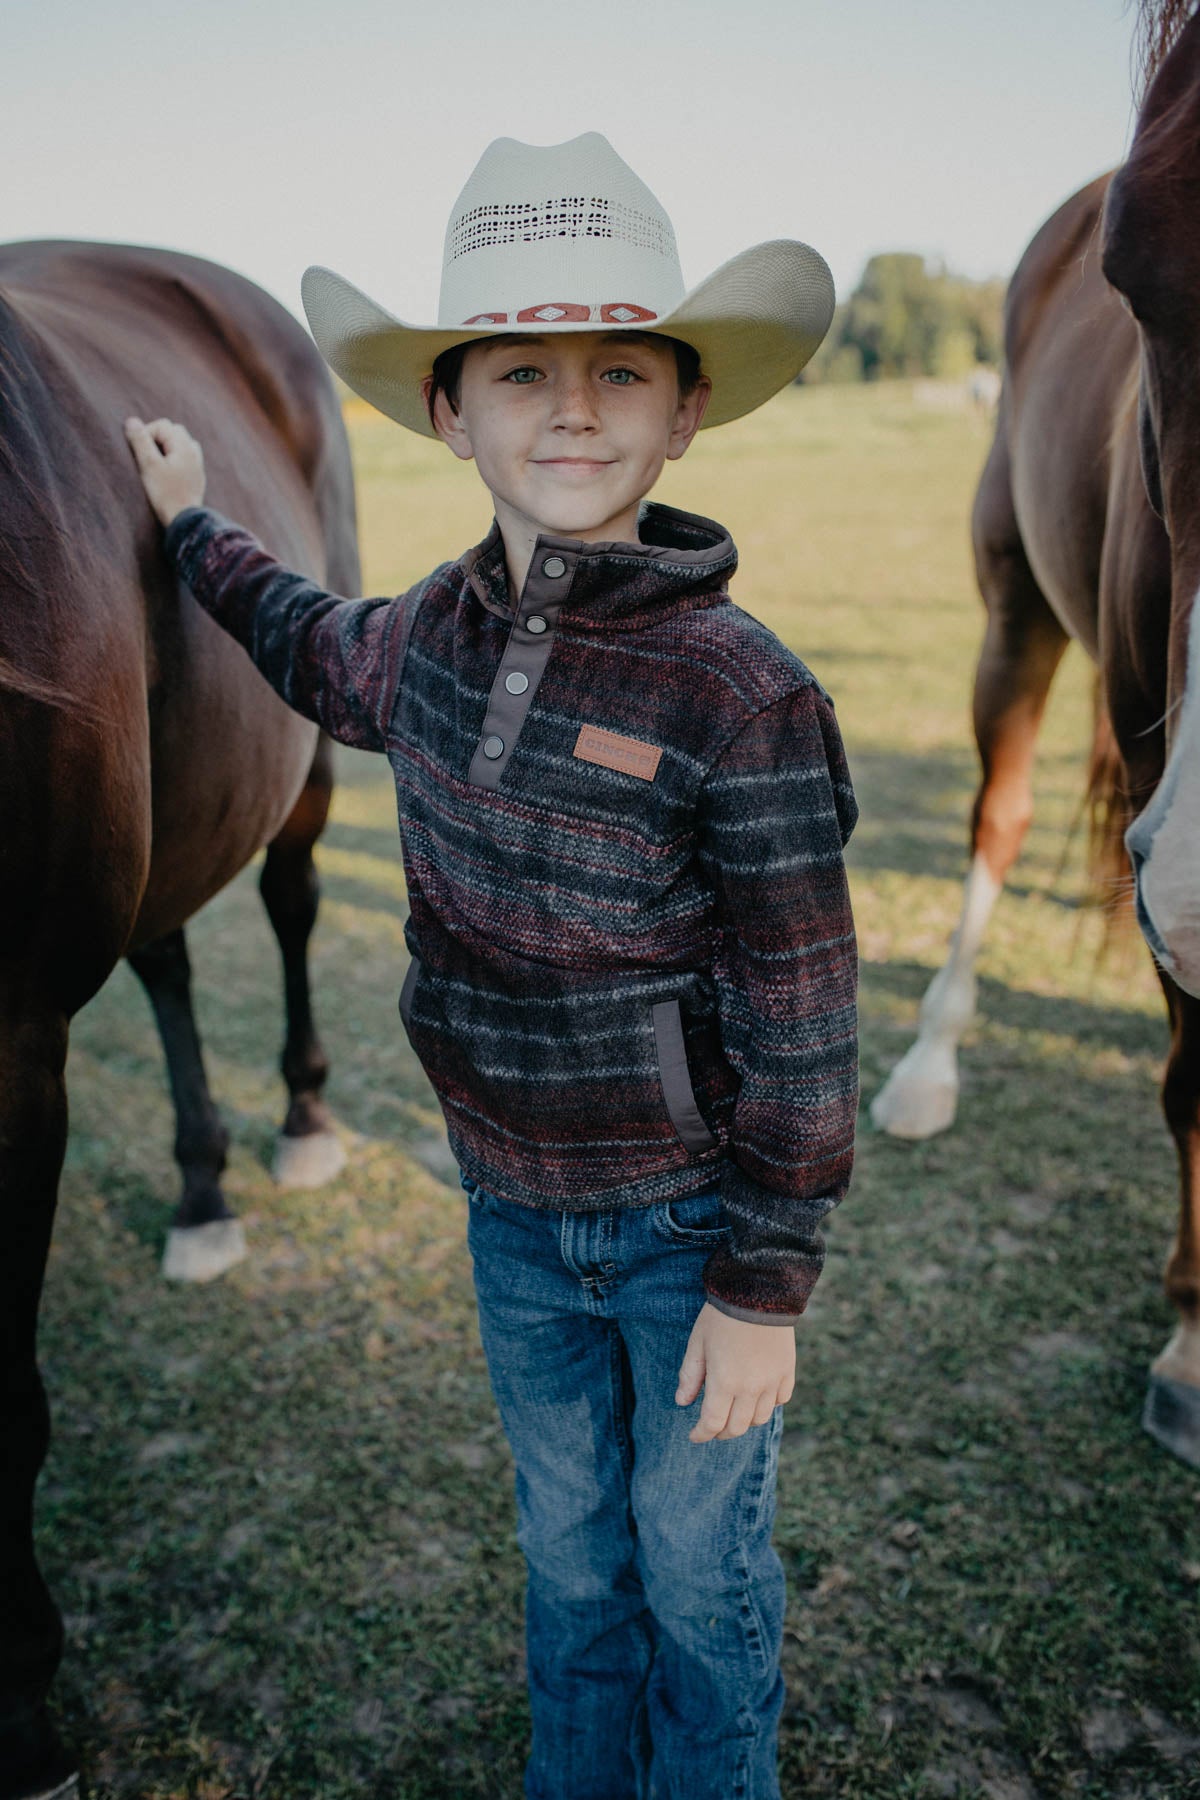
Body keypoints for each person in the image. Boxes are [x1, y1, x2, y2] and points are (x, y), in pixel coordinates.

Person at [123, 130, 858, 1800]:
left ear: (686, 411)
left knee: (696, 1577)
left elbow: (807, 1033)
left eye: (619, 369)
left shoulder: (742, 695)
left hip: (689, 1238)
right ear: (450, 411)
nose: (574, 408)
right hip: (513, 1218)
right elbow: (299, 635)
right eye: (522, 368)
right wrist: (185, 525)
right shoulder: (426, 642)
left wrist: (765, 1285)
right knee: (573, 1565)